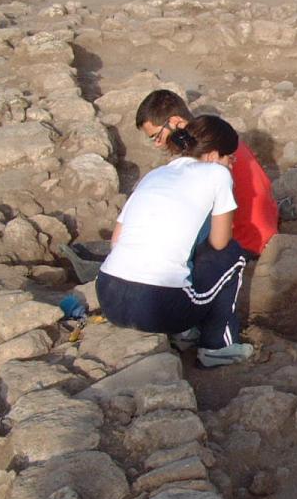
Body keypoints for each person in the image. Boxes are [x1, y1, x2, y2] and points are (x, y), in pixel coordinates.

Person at [96, 116, 253, 368]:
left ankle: (184, 333)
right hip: (158, 306)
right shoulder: (216, 174)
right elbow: (221, 242)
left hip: (108, 296)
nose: (232, 166)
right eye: (230, 158)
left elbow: (116, 240)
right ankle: (218, 346)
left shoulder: (155, 174)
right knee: (232, 255)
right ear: (213, 155)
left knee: (187, 248)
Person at [136, 90, 278, 259]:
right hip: (264, 227)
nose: (158, 144)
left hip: (245, 242)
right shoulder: (218, 138)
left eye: (157, 136)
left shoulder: (205, 158)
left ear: (176, 122)